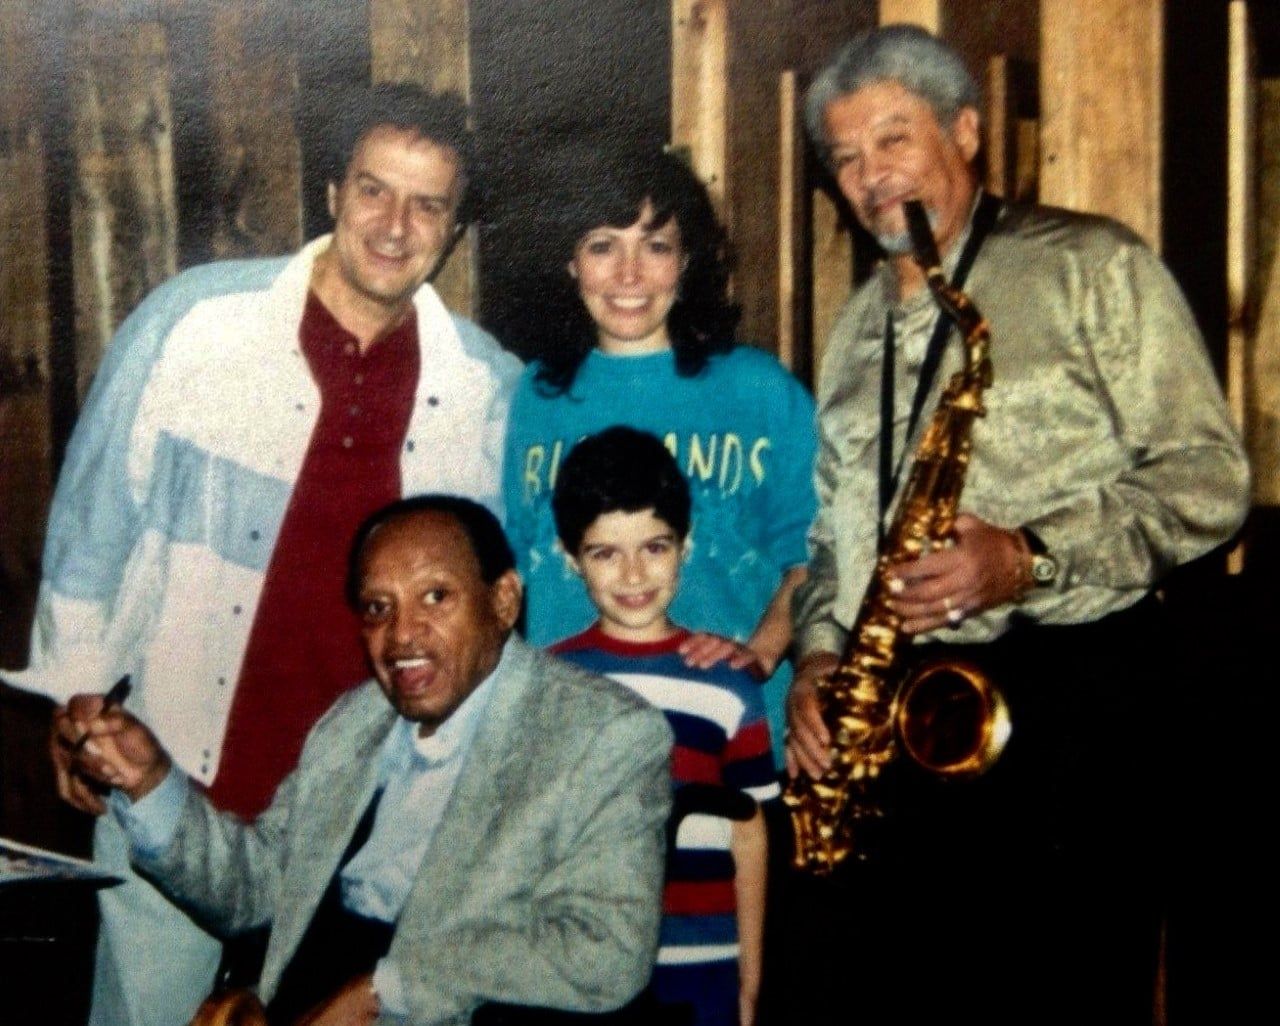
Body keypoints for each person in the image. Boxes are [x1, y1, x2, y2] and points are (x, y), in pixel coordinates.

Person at [1, 85, 521, 1026]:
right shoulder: (195, 324)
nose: (394, 226)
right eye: (374, 189)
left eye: (427, 205)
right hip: (172, 778)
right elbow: (92, 527)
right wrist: (74, 704)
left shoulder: (484, 386)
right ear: (333, 191)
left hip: (370, 820)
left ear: (454, 230)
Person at [781, 24, 1250, 1026]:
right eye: (846, 157)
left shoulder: (1090, 265)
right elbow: (831, 541)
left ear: (965, 131)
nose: (869, 177)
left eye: (893, 139)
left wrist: (1028, 556)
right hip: (904, 719)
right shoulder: (855, 326)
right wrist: (819, 657)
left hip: (1074, 703)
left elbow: (1210, 478)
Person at [54, 495, 672, 1026]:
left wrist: (387, 988)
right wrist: (150, 782)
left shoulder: (602, 735)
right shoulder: (356, 721)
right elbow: (260, 889)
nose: (402, 634)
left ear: (503, 600)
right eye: (378, 608)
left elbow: (605, 951)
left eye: (435, 597)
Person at [502, 147, 817, 764]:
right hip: (576, 751)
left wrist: (760, 654)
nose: (630, 275)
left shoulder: (759, 390)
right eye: (602, 246)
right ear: (569, 263)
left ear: (686, 259)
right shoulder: (534, 397)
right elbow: (514, 569)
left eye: (655, 246)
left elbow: (816, 555)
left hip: (727, 741)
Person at [548, 427, 779, 1026]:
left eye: (654, 547)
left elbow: (751, 834)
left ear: (685, 544)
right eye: (605, 553)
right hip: (587, 970)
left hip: (708, 968)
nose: (633, 575)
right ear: (571, 558)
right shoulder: (548, 683)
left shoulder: (728, 684)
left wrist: (751, 981)